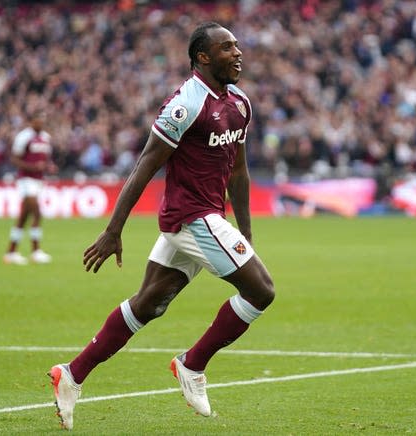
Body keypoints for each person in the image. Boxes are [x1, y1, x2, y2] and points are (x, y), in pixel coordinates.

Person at [48, 22, 275, 430]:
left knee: (149, 303)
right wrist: (113, 230)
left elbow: (238, 172)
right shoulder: (185, 105)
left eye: (238, 46)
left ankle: (72, 373)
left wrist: (246, 233)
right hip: (191, 218)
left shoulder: (239, 102)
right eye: (228, 48)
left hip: (203, 218)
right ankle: (193, 364)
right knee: (261, 291)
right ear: (203, 57)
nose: (238, 53)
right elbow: (144, 167)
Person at [3, 110, 57, 265]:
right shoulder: (23, 137)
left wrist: (49, 166)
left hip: (39, 181)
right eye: (39, 119)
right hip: (26, 180)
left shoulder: (46, 138)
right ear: (31, 121)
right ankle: (36, 251)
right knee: (37, 213)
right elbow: (14, 159)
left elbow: (45, 160)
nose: (41, 122)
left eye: (43, 118)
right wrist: (32, 167)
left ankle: (11, 252)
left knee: (23, 217)